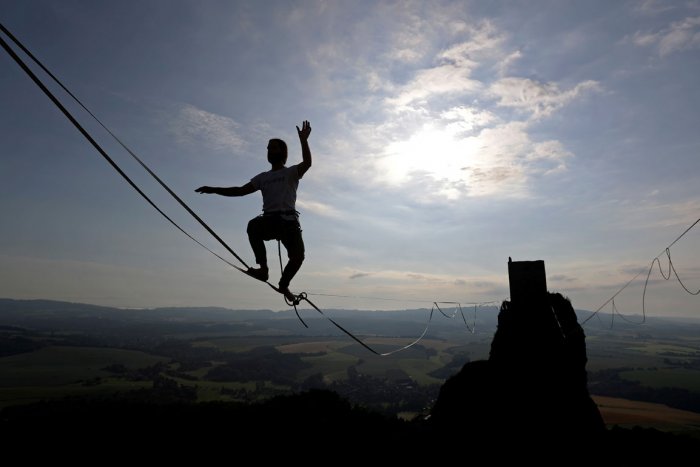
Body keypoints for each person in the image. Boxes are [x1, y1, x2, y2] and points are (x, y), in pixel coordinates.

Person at [195, 121, 312, 302]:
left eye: (272, 148)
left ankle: (284, 285)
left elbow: (307, 163)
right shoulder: (263, 177)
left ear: (282, 152)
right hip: (271, 221)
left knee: (298, 257)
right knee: (253, 226)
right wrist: (214, 189)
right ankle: (263, 269)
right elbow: (240, 191)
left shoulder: (290, 173)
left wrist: (304, 140)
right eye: (268, 149)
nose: (269, 151)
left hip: (288, 223)